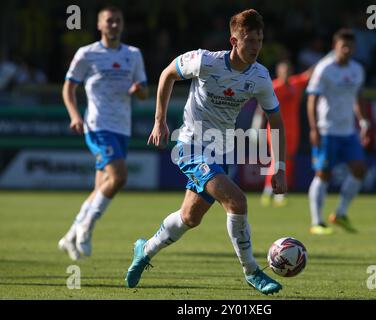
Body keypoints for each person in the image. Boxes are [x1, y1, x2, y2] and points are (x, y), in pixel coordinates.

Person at [125, 9, 287, 295]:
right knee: (237, 201)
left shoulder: (260, 77)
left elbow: (276, 120)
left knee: (190, 217)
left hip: (222, 150)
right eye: (249, 40)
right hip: (190, 145)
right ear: (233, 40)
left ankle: (145, 249)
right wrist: (159, 120)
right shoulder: (205, 60)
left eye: (259, 40)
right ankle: (252, 271)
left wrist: (280, 166)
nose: (255, 47)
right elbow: (167, 75)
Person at [58, 6, 149, 260]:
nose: (114, 25)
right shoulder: (87, 54)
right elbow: (68, 89)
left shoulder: (133, 54)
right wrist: (75, 115)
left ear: (122, 24)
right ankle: (86, 228)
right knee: (119, 177)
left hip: (122, 127)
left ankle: (70, 235)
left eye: (117, 21)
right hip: (97, 125)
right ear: (99, 25)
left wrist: (138, 91)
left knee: (102, 186)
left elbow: (144, 91)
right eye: (109, 21)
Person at [306, 28, 370, 235]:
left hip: (348, 131)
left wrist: (363, 121)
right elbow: (312, 100)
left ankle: (340, 213)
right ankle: (317, 222)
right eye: (344, 46)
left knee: (359, 170)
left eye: (351, 47)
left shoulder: (357, 70)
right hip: (326, 130)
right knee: (323, 174)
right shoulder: (324, 69)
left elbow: (357, 97)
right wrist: (314, 129)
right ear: (335, 47)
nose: (348, 50)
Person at [253, 59, 312, 207]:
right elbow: (261, 108)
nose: (286, 74)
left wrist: (329, 56)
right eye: (283, 71)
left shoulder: (295, 84)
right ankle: (274, 193)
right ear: (279, 73)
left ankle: (271, 192)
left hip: (293, 130)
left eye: (288, 71)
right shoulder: (274, 87)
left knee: (287, 160)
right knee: (277, 159)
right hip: (275, 129)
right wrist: (256, 126)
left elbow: (310, 74)